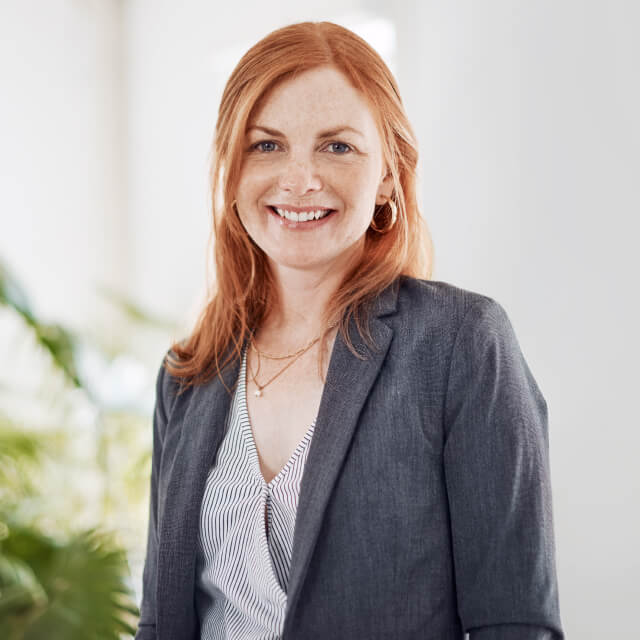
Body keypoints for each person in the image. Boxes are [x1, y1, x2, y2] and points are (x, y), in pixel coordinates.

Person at [135, 21, 564, 640]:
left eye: (337, 146)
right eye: (266, 145)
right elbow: (159, 621)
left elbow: (515, 624)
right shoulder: (188, 374)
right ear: (231, 171)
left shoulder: (461, 345)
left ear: (388, 174)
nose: (299, 179)